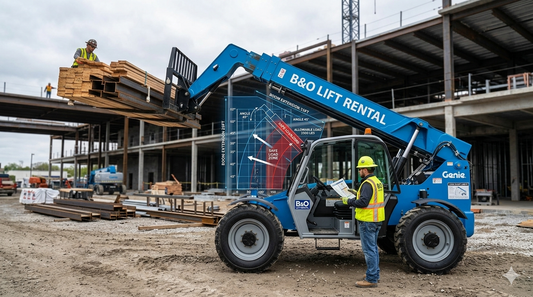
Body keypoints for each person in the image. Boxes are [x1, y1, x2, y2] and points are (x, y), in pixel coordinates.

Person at [336, 156, 385, 288]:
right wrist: (357, 193)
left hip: (368, 221)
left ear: (365, 169)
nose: (359, 172)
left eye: (359, 169)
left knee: (369, 250)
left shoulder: (367, 184)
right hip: (376, 220)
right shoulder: (376, 182)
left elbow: (363, 202)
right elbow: (369, 197)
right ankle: (374, 273)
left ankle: (371, 279)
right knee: (373, 248)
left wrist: (348, 201)